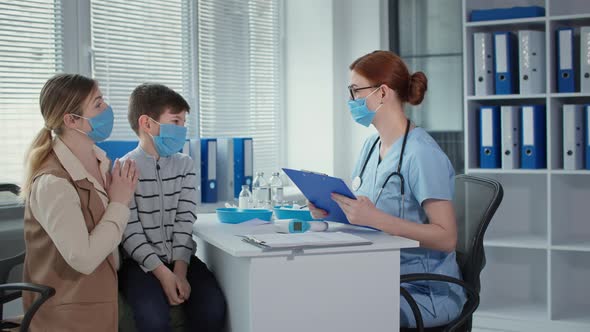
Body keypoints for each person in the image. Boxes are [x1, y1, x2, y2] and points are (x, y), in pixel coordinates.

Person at [309, 50, 467, 328]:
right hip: (379, 275)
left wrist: (376, 219)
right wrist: (332, 208)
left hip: (422, 291)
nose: (351, 100)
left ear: (382, 93)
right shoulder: (371, 147)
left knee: (339, 314)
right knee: (312, 299)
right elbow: (366, 210)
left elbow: (446, 238)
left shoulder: (421, 154)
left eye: (355, 90)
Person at [21, 73, 138, 331]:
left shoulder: (99, 161)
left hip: (100, 295)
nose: (107, 109)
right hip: (68, 313)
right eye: (97, 104)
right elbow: (84, 259)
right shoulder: (53, 183)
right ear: (72, 120)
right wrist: (119, 203)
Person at [119, 83, 226, 332]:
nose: (182, 130)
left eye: (183, 123)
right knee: (153, 319)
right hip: (140, 264)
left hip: (181, 258)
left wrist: (179, 270)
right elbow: (129, 231)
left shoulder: (185, 165)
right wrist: (163, 275)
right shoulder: (123, 168)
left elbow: (185, 220)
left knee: (213, 308)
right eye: (175, 122)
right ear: (146, 124)